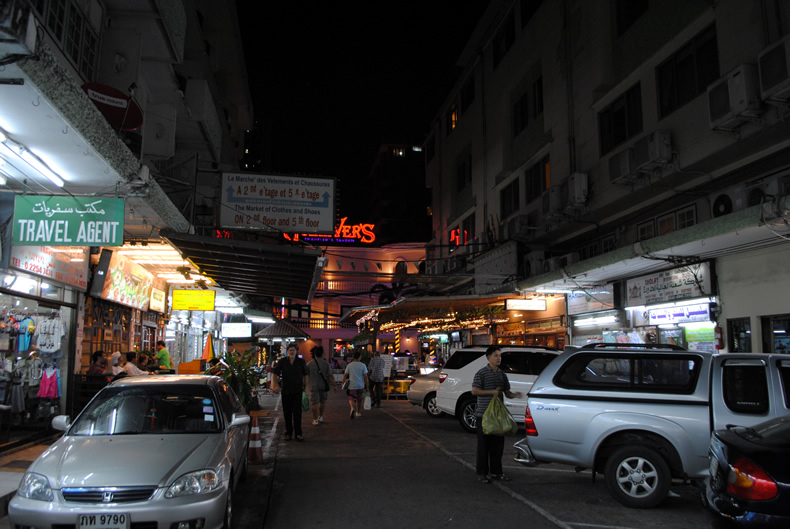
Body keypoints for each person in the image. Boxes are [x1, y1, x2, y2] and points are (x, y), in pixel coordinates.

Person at [471, 345, 522, 484]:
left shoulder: (502, 375)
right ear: (489, 358)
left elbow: (507, 392)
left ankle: (496, 472)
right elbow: (474, 391)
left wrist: (515, 395)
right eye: (496, 356)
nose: (499, 358)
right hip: (484, 415)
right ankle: (481, 473)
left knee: (497, 446)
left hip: (498, 416)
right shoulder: (481, 373)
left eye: (500, 356)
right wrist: (491, 392)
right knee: (483, 447)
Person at [271, 343, 308, 441]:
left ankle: (298, 434)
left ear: (296, 351)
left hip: (297, 390)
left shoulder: (301, 362)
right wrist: (275, 385)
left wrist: (306, 386)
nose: (292, 352)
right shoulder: (282, 361)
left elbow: (305, 374)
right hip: (286, 391)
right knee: (287, 413)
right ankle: (288, 433)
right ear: (287, 351)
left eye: (293, 350)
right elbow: (275, 373)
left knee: (297, 413)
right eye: (290, 350)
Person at [306, 345, 336, 425]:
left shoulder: (309, 364)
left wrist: (304, 385)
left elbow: (305, 375)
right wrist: (335, 385)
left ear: (315, 354)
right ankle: (321, 416)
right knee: (322, 401)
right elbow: (330, 375)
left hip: (313, 385)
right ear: (322, 353)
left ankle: (315, 420)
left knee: (314, 403)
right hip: (323, 386)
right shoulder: (326, 363)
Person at [341, 351, 368, 419]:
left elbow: (345, 375)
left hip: (352, 385)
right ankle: (358, 412)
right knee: (359, 399)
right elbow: (365, 376)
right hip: (360, 385)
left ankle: (352, 408)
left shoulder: (350, 365)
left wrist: (343, 383)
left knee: (351, 398)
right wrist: (367, 386)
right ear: (359, 357)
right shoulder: (363, 365)